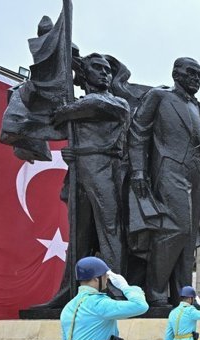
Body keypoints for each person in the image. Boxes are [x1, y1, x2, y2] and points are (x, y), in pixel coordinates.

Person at [41, 54, 132, 308]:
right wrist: (73, 152)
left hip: (105, 169)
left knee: (109, 231)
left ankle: (116, 288)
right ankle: (69, 290)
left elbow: (99, 108)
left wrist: (66, 111)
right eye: (97, 69)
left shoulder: (116, 102)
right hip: (79, 169)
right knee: (79, 236)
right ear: (84, 74)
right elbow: (52, 123)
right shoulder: (77, 105)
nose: (105, 73)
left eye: (107, 70)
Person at [129, 57, 200, 307]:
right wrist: (138, 170)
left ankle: (183, 294)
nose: (197, 80)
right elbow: (138, 133)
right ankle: (155, 292)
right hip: (169, 169)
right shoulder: (160, 97)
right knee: (174, 228)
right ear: (176, 74)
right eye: (192, 73)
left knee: (189, 236)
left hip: (197, 174)